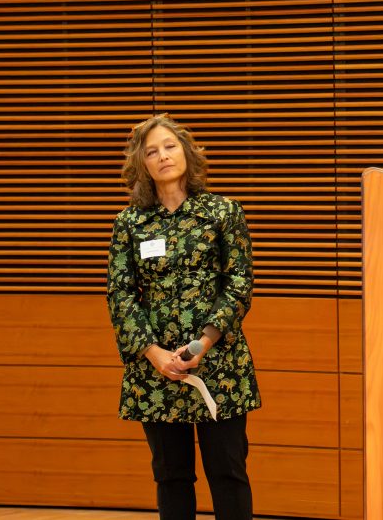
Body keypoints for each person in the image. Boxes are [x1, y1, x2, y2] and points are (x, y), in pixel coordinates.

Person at [107, 113, 260, 520]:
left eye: (170, 146)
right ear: (141, 164)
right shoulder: (129, 223)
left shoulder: (223, 212)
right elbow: (121, 295)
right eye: (151, 151)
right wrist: (154, 354)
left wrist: (203, 343)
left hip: (219, 364)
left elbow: (239, 283)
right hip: (156, 371)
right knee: (171, 477)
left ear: (188, 154)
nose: (162, 156)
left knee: (228, 473)